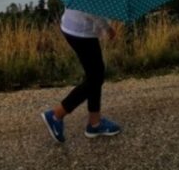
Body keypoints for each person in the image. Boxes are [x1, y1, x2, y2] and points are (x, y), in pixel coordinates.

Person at [41, 8, 122, 143]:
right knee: (95, 77)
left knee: (95, 73)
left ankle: (94, 123)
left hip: (72, 25)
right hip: (81, 32)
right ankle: (56, 115)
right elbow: (92, 10)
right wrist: (107, 29)